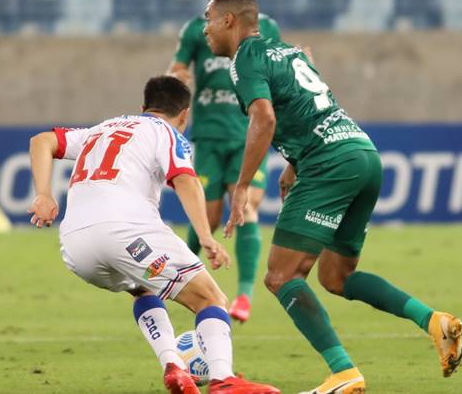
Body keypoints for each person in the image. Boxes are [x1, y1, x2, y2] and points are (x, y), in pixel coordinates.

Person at [203, 0, 462, 393]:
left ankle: (344, 372)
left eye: (208, 19)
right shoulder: (288, 52)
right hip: (362, 154)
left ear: (228, 21)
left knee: (279, 276)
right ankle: (435, 322)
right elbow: (309, 106)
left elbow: (265, 118)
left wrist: (242, 186)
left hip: (331, 164)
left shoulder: (245, 59)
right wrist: (293, 163)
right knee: (337, 276)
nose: (204, 29)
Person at [27, 76, 280, 394]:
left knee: (143, 288)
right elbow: (186, 181)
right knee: (210, 298)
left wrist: (44, 194)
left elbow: (41, 140)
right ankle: (223, 380)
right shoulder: (167, 133)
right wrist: (205, 236)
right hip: (125, 230)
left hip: (75, 245)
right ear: (185, 115)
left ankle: (174, 366)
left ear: (143, 107)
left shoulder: (102, 129)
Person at [168, 0, 281, 323]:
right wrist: (179, 76)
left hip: (248, 133)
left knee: (247, 205)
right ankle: (177, 274)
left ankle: (244, 295)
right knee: (210, 215)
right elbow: (177, 67)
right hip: (209, 133)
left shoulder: (266, 27)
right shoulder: (195, 29)